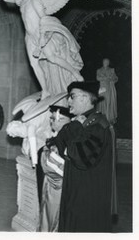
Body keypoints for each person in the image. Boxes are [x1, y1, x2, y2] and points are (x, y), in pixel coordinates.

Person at [0, 0, 83, 99]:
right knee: (34, 64)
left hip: (42, 34)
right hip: (29, 37)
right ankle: (45, 90)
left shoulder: (35, 1)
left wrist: (42, 39)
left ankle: (75, 73)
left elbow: (46, 21)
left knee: (52, 58)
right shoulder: (20, 1)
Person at [51, 81, 115, 232]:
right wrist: (71, 130)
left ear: (85, 98)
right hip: (75, 191)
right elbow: (59, 144)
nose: (68, 101)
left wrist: (73, 128)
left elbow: (80, 158)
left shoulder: (98, 125)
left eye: (72, 96)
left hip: (88, 197)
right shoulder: (81, 122)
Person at [39, 105, 72, 232]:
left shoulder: (67, 138)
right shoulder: (56, 137)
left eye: (56, 118)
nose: (52, 121)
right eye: (51, 118)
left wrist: (46, 153)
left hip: (58, 186)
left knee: (54, 219)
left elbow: (53, 165)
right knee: (46, 215)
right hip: (49, 185)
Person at [96, 58, 118, 124]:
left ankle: (109, 118)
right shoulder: (99, 70)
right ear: (102, 62)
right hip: (102, 88)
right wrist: (106, 78)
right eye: (104, 62)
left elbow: (116, 78)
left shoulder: (112, 70)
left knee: (109, 102)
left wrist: (112, 79)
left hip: (110, 89)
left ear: (108, 63)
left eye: (107, 62)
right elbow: (98, 78)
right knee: (102, 102)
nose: (105, 63)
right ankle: (102, 118)